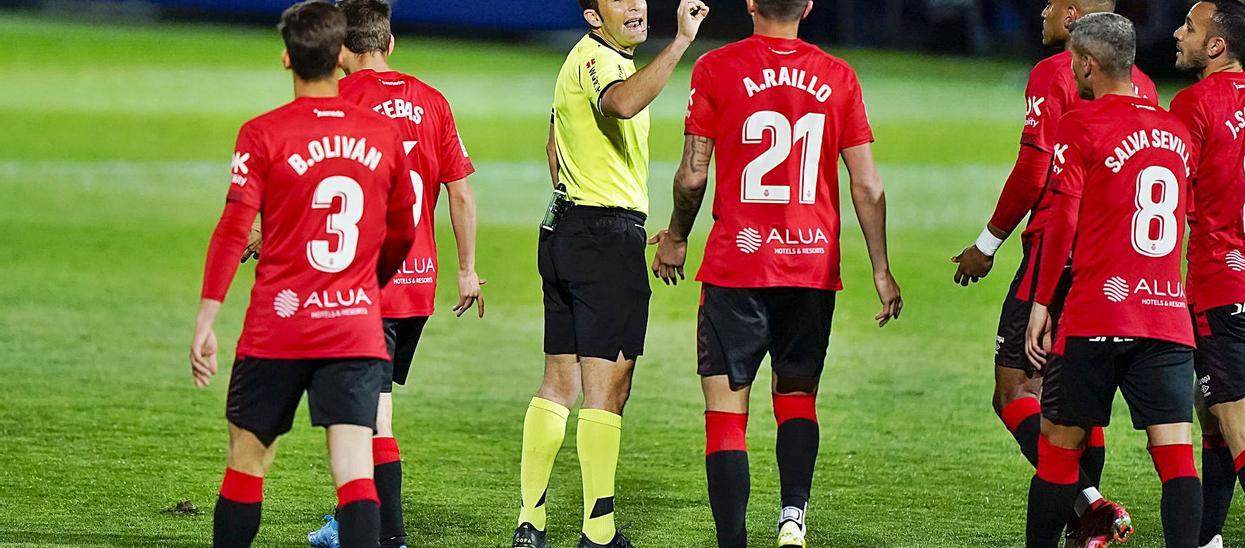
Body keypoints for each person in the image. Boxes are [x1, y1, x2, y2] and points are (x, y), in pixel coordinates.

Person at [649, 0, 903, 544]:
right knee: (796, 398)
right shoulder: (839, 76)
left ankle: (733, 541)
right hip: (811, 265)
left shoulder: (716, 68)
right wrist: (881, 269)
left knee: (725, 412)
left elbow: (694, 177)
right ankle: (793, 519)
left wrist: (674, 238)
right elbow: (869, 186)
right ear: (808, 7)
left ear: (749, 4)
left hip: (737, 265)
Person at [188, 2, 416, 547]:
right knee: (355, 473)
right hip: (354, 325)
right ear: (341, 56)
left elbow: (232, 229)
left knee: (247, 464)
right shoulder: (383, 134)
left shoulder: (261, 133)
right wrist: (365, 282)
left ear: (286, 58)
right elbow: (405, 229)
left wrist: (206, 317)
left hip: (278, 327)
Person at [949, 1, 1157, 542]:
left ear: (1072, 17)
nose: (1039, 10)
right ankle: (1084, 527)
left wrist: (987, 242)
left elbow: (1036, 166)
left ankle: (1090, 503)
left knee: (1015, 387)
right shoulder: (1145, 85)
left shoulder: (1054, 72)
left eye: (1050, 3)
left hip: (1056, 248)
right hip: (1117, 259)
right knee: (1082, 399)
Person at [511, 1, 708, 547]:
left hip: (567, 229)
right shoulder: (598, 60)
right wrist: (680, 43)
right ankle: (598, 534)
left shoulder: (585, 59)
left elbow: (555, 148)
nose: (636, 7)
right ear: (594, 18)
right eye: (619, 1)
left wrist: (595, 207)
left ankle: (531, 521)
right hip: (599, 238)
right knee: (607, 389)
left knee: (559, 380)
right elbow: (619, 104)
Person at [296, 1, 484, 546]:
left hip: (362, 286)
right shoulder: (432, 101)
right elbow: (461, 191)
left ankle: (381, 532)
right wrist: (467, 270)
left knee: (367, 419)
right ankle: (358, 517)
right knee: (371, 407)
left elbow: (315, 186)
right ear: (391, 43)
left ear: (339, 49)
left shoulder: (336, 102)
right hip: (418, 283)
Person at [1024, 12, 1202, 547]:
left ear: (1088, 63)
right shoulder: (1175, 130)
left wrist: (1040, 303)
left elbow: (1062, 223)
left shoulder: (1080, 124)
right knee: (1176, 459)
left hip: (1097, 314)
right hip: (1166, 316)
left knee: (1058, 450)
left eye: (1077, 61)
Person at [1170, 3, 1245, 547]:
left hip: (1223, 287)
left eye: (1189, 27)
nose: (1178, 33)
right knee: (1212, 409)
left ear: (1216, 46)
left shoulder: (1191, 104)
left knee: (1243, 434)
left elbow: (1171, 194)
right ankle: (1207, 539)